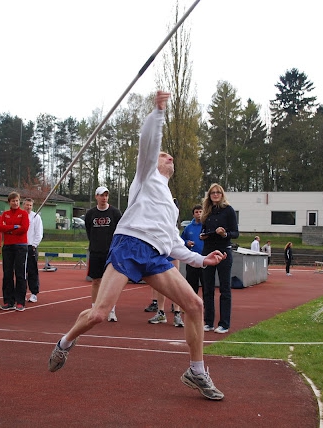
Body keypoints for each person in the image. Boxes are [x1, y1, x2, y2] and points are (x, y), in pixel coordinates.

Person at [48, 91, 228, 401]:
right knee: (99, 314)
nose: (169, 158)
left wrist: (202, 260)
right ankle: (65, 343)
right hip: (129, 246)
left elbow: (174, 245)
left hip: (156, 256)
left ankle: (196, 371)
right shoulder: (146, 176)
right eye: (164, 155)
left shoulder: (171, 205)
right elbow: (149, 145)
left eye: (170, 157)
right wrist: (158, 113)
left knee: (195, 305)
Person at [200, 183, 239, 334]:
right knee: (207, 288)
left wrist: (225, 234)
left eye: (218, 192)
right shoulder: (207, 212)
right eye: (213, 193)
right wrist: (203, 235)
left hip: (223, 251)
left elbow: (235, 233)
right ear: (209, 196)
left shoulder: (228, 210)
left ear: (222, 194)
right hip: (208, 250)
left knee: (224, 288)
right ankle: (208, 322)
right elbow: (203, 230)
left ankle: (224, 324)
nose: (215, 194)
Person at [84, 186, 122, 321]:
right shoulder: (90, 214)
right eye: (101, 195)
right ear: (96, 197)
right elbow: (89, 231)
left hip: (111, 253)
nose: (104, 198)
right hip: (95, 252)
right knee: (96, 281)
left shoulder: (115, 213)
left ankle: (111, 310)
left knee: (111, 282)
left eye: (106, 195)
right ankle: (94, 308)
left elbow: (119, 231)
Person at [0, 192, 29, 312]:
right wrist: (15, 227)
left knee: (20, 274)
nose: (15, 203)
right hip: (8, 246)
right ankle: (8, 301)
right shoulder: (5, 214)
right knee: (7, 274)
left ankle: (20, 302)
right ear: (9, 202)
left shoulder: (23, 214)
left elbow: (24, 228)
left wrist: (10, 229)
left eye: (17, 200)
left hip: (20, 246)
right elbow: (1, 227)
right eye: (13, 201)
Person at [180, 204, 205, 295]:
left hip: (205, 259)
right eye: (196, 212)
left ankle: (207, 303)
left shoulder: (207, 226)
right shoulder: (188, 228)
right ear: (193, 215)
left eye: (200, 212)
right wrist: (187, 243)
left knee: (206, 285)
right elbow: (181, 241)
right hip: (192, 259)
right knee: (192, 285)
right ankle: (192, 302)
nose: (198, 214)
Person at [23, 198, 43, 303]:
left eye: (30, 205)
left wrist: (34, 245)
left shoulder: (36, 217)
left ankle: (34, 293)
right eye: (27, 205)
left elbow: (39, 233)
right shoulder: (20, 216)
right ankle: (22, 292)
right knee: (21, 272)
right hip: (20, 247)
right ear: (23, 205)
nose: (28, 207)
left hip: (31, 247)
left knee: (32, 271)